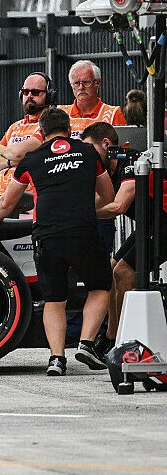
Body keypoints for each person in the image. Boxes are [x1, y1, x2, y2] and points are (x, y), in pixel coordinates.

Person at [0, 108, 114, 376]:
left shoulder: (31, 159)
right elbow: (107, 196)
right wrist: (81, 207)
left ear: (41, 132)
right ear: (70, 129)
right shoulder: (88, 153)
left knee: (54, 298)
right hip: (83, 231)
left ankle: (57, 360)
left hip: (47, 235)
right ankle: (86, 343)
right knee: (101, 285)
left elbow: (6, 202)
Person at [81, 122, 142, 356]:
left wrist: (84, 214)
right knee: (110, 271)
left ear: (106, 144)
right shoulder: (108, 171)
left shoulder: (130, 160)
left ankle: (121, 340)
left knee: (123, 273)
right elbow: (100, 202)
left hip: (163, 223)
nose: (88, 157)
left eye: (90, 149)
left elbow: (118, 205)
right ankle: (111, 337)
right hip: (150, 226)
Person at [0, 72, 54, 196]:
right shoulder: (15, 127)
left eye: (35, 92)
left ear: (49, 96)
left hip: (29, 199)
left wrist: (6, 154)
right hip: (2, 196)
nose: (29, 96)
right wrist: (13, 162)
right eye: (25, 92)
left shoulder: (50, 124)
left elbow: (18, 153)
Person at [58, 60, 126, 126]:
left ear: (98, 83)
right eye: (76, 83)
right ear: (71, 85)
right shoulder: (60, 114)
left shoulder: (113, 114)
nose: (81, 87)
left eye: (86, 82)